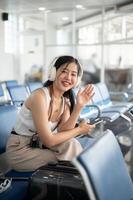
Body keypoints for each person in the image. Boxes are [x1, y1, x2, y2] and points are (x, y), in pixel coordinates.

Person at [6, 55, 95, 172]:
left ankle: (83, 179)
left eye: (73, 74)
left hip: (38, 144)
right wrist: (79, 130)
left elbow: (64, 131)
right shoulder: (39, 97)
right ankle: (80, 181)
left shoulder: (65, 101)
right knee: (64, 158)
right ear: (53, 73)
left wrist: (79, 106)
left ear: (77, 80)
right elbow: (49, 140)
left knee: (71, 144)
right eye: (64, 71)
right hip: (20, 150)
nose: (68, 77)